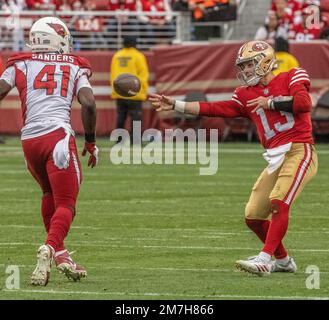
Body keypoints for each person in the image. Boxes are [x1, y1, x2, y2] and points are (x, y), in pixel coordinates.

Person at [149, 40, 318, 276]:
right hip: (275, 157)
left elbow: (303, 104)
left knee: (279, 201)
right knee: (253, 216)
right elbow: (215, 108)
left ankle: (264, 258)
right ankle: (283, 260)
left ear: (266, 61)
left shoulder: (292, 76)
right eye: (244, 66)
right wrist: (176, 105)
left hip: (299, 150)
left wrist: (269, 102)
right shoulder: (245, 94)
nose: (246, 70)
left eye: (250, 64)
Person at [0, 16, 99, 286]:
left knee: (48, 194)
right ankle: (49, 248)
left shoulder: (20, 63)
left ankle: (61, 255)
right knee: (67, 203)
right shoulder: (75, 65)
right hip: (57, 137)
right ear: (58, 38)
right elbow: (88, 104)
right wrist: (90, 142)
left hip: (29, 140)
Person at [110, 35, 149, 143]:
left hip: (119, 92)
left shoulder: (116, 55)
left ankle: (119, 139)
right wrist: (143, 90)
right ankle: (135, 140)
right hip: (134, 92)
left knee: (121, 116)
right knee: (136, 117)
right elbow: (143, 74)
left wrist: (115, 89)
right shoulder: (138, 56)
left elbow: (113, 74)